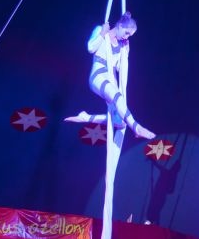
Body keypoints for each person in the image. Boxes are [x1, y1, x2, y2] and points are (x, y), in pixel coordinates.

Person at [63, 12, 156, 142]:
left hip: (111, 79)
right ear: (120, 25)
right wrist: (102, 33)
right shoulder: (101, 30)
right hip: (98, 76)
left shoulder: (121, 45)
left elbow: (119, 68)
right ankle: (137, 127)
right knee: (117, 97)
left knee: (120, 122)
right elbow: (90, 48)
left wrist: (126, 54)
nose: (127, 37)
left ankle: (85, 117)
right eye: (127, 33)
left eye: (129, 35)